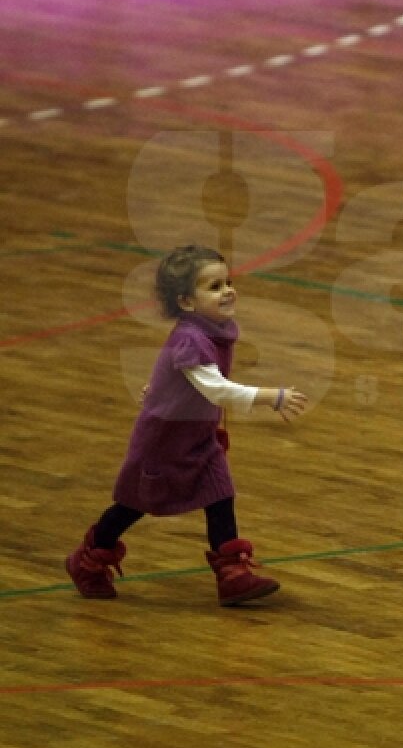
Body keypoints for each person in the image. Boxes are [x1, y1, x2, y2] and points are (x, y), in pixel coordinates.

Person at [65, 244, 308, 606]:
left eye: (228, 281)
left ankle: (232, 573)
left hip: (199, 435)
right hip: (165, 440)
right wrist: (269, 396)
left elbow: (176, 374)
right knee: (134, 503)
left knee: (221, 495)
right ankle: (88, 560)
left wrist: (159, 387)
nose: (227, 290)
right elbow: (216, 388)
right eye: (214, 287)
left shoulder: (211, 330)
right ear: (187, 302)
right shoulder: (191, 339)